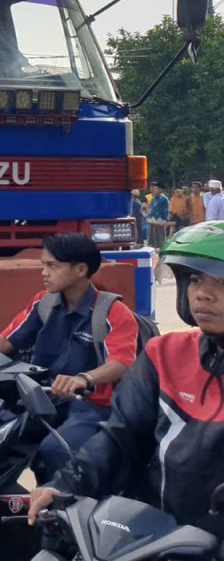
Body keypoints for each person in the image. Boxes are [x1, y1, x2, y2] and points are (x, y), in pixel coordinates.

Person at [29, 222, 224, 540]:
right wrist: (68, 484)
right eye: (195, 279)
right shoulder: (166, 354)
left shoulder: (111, 310)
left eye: (221, 282)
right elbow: (121, 436)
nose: (202, 293)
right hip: (154, 532)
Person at [0, 233, 139, 484]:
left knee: (54, 451)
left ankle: (61, 504)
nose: (44, 273)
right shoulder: (42, 303)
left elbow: (122, 363)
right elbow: (6, 340)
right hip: (42, 397)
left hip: (90, 405)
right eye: (44, 265)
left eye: (52, 266)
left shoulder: (113, 312)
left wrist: (83, 379)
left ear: (80, 269)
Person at [147, 183, 170, 250]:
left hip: (160, 219)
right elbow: (151, 207)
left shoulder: (164, 199)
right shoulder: (154, 198)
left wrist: (165, 219)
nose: (154, 190)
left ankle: (162, 247)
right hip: (153, 218)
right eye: (154, 188)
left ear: (160, 190)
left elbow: (166, 209)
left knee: (160, 234)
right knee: (153, 234)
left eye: (156, 189)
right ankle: (153, 247)